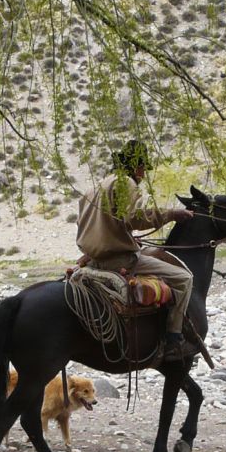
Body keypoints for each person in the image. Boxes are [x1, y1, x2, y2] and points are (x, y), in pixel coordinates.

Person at [76, 140, 194, 349]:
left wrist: (123, 235)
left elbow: (96, 224)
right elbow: (136, 218)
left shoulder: (95, 187)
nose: (143, 175)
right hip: (119, 260)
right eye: (143, 169)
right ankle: (173, 337)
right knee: (185, 278)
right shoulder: (126, 183)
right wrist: (171, 214)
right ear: (136, 167)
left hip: (92, 260)